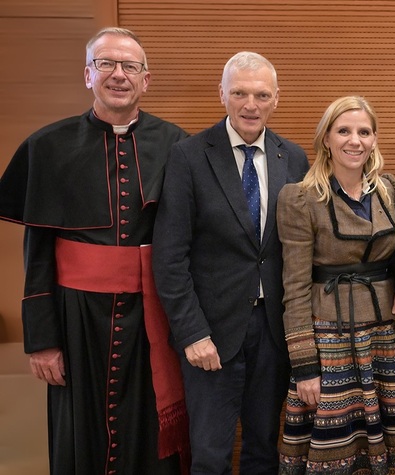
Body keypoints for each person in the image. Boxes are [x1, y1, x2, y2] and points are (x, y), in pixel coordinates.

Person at [0, 27, 189, 473]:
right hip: (75, 316)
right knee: (80, 427)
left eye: (130, 66)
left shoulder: (178, 144)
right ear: (88, 74)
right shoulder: (48, 146)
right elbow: (38, 253)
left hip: (151, 314)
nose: (118, 74)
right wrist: (43, 341)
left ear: (147, 79)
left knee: (149, 430)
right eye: (106, 63)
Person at [153, 51, 310, 474]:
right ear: (221, 94)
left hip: (272, 334)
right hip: (210, 335)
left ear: (276, 99)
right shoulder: (188, 156)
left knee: (263, 450)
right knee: (210, 454)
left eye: (261, 94)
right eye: (239, 92)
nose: (250, 104)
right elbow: (170, 256)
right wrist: (192, 334)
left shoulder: (292, 158)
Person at [275, 96, 395, 474]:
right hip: (330, 342)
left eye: (364, 132)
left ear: (375, 139)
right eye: (344, 131)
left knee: (391, 445)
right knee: (335, 451)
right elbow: (294, 288)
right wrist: (304, 367)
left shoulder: (387, 190)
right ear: (326, 138)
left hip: (386, 340)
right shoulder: (299, 197)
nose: (354, 140)